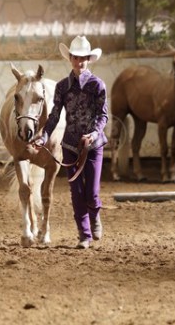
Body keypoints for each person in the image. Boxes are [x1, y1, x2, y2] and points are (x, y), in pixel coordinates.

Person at [33, 36, 108, 249]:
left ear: (88, 59)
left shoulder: (97, 85)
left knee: (91, 193)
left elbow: (103, 115)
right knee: (76, 193)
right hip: (70, 146)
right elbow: (54, 116)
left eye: (83, 58)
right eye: (76, 57)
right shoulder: (62, 87)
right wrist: (44, 136)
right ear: (70, 59)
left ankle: (94, 215)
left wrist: (94, 134)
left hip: (93, 146)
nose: (79, 62)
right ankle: (84, 235)